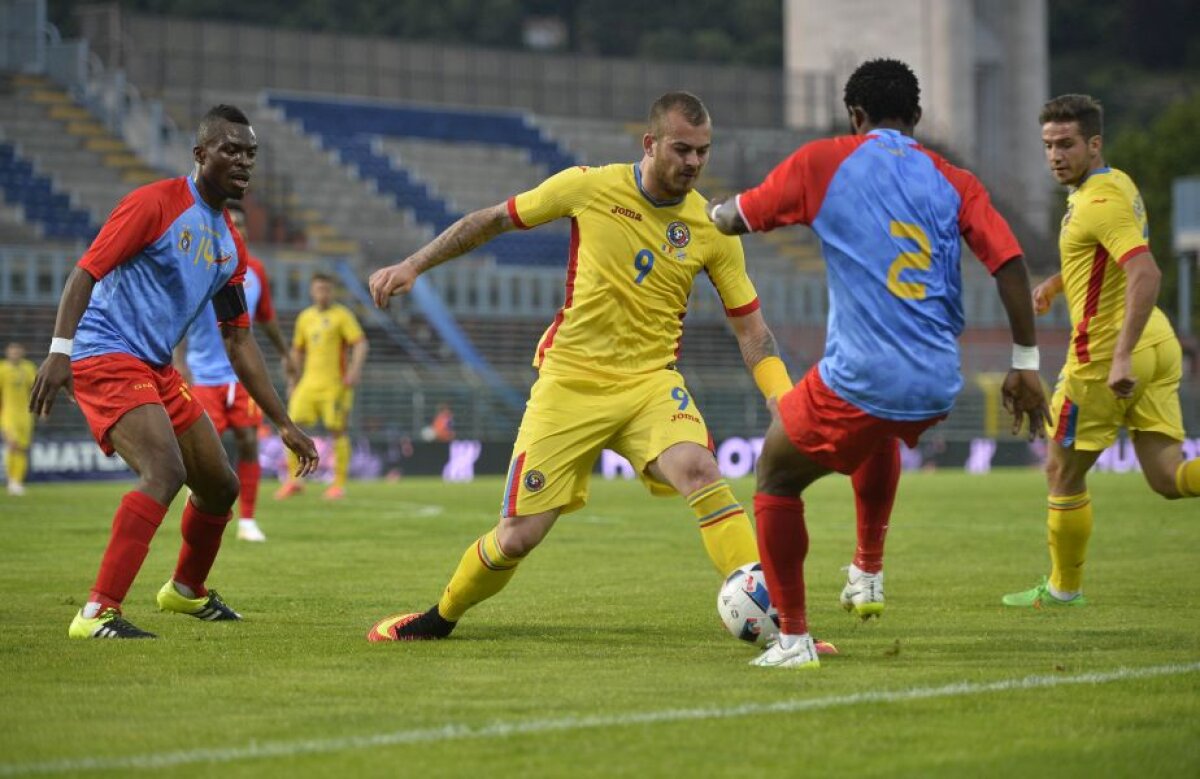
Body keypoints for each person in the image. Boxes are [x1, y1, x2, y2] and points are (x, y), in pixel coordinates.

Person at [364, 91, 808, 644]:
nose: (693, 163)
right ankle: (438, 618)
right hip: (570, 382)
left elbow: (752, 330)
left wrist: (781, 398)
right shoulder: (589, 186)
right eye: (681, 149)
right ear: (649, 144)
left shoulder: (712, 229)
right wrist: (413, 264)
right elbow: (492, 221)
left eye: (703, 151)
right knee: (518, 536)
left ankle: (786, 629)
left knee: (701, 471)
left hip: (650, 384)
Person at [708, 58, 1049, 669]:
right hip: (940, 378)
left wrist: (708, 213)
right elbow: (1011, 264)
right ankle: (866, 572)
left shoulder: (826, 161)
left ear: (854, 116)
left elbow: (740, 217)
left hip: (863, 374)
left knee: (776, 476)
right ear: (915, 119)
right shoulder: (955, 179)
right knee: (875, 432)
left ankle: (793, 642)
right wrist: (1025, 362)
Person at [29, 104, 318, 640]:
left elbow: (238, 338)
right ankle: (96, 613)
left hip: (155, 365)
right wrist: (59, 351)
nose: (242, 161)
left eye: (250, 153)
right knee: (165, 472)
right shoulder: (155, 203)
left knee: (220, 485)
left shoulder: (229, 247)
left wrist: (282, 422)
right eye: (230, 149)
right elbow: (86, 271)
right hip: (104, 350)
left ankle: (185, 591)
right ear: (200, 153)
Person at [1001, 94, 1198, 609]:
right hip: (1159, 340)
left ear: (1094, 144)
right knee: (1168, 479)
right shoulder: (1116, 184)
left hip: (1108, 353)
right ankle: (1064, 587)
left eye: (1065, 144)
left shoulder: (1097, 202)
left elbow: (1145, 271)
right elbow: (1108, 260)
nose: (1055, 156)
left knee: (1061, 471)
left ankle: (1064, 590)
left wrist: (1121, 355)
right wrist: (1057, 283)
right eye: (1047, 145)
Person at [175, 203, 298, 542]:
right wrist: (179, 360)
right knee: (204, 448)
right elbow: (180, 316)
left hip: (241, 377)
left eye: (242, 225)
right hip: (203, 374)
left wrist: (286, 353)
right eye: (232, 224)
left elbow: (266, 317)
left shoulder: (255, 270)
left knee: (247, 442)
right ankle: (196, 507)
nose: (237, 230)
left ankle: (247, 520)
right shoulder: (199, 264)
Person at [274, 273, 368, 500]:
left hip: (335, 385)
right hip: (308, 383)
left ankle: (338, 484)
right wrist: (292, 382)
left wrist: (355, 370)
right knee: (290, 428)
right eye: (318, 289)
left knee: (338, 431)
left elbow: (360, 343)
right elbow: (297, 351)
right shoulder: (305, 318)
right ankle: (293, 480)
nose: (322, 293)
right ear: (311, 291)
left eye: (326, 289)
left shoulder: (342, 316)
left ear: (332, 291)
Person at [1, 342, 37, 496]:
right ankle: (11, 481)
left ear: (22, 352)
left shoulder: (29, 368)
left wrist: (40, 408)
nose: (15, 354)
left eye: (17, 351)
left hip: (26, 415)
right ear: (7, 352)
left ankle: (18, 481)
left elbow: (35, 389)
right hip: (8, 414)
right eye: (12, 351)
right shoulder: (2, 369)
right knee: (12, 445)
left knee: (22, 448)